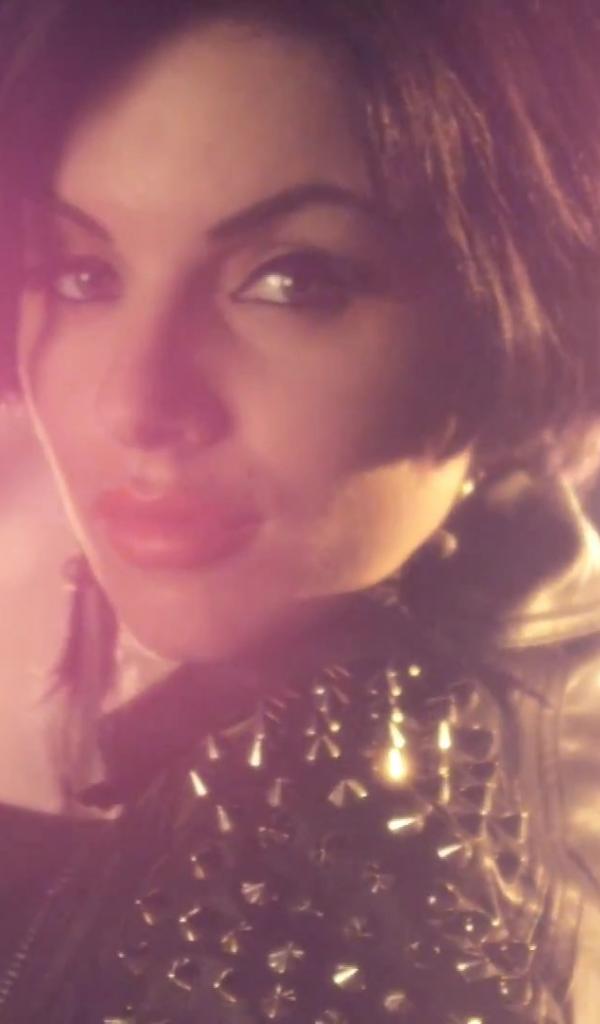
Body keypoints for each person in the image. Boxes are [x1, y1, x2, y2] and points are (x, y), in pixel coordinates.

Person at [0, 0, 599, 1020]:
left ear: (514, 290)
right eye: (84, 273)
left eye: (294, 280)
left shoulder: (393, 884)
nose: (135, 405)